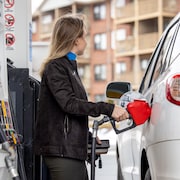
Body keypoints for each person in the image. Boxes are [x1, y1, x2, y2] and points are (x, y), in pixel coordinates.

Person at [34, 13, 129, 180]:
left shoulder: (68, 66)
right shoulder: (56, 67)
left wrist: (87, 136)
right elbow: (69, 104)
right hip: (62, 151)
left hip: (69, 150)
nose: (86, 41)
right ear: (75, 40)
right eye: (84, 36)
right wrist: (108, 108)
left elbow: (69, 113)